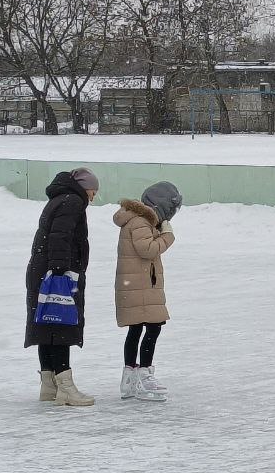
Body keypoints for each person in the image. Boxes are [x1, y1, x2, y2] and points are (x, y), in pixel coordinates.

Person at [24, 167, 98, 407]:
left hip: (41, 269)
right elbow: (60, 236)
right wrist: (59, 271)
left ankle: (49, 385)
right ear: (83, 188)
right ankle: (65, 387)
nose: (93, 197)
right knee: (60, 325)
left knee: (47, 325)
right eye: (92, 191)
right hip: (56, 272)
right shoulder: (73, 201)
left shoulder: (59, 199)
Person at [114, 181, 182, 402]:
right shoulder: (141, 222)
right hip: (140, 286)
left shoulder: (135, 219)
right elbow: (148, 250)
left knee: (136, 330)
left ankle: (130, 377)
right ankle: (144, 374)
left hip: (137, 285)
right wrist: (167, 236)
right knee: (152, 328)